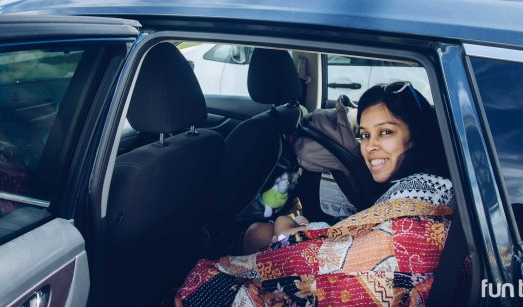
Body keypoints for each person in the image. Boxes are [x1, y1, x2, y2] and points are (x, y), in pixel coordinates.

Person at [176, 82, 455, 306]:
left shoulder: (417, 194)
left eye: (385, 132)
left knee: (213, 279)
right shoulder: (430, 185)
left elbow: (354, 259)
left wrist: (289, 235)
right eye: (364, 135)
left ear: (414, 134)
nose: (370, 147)